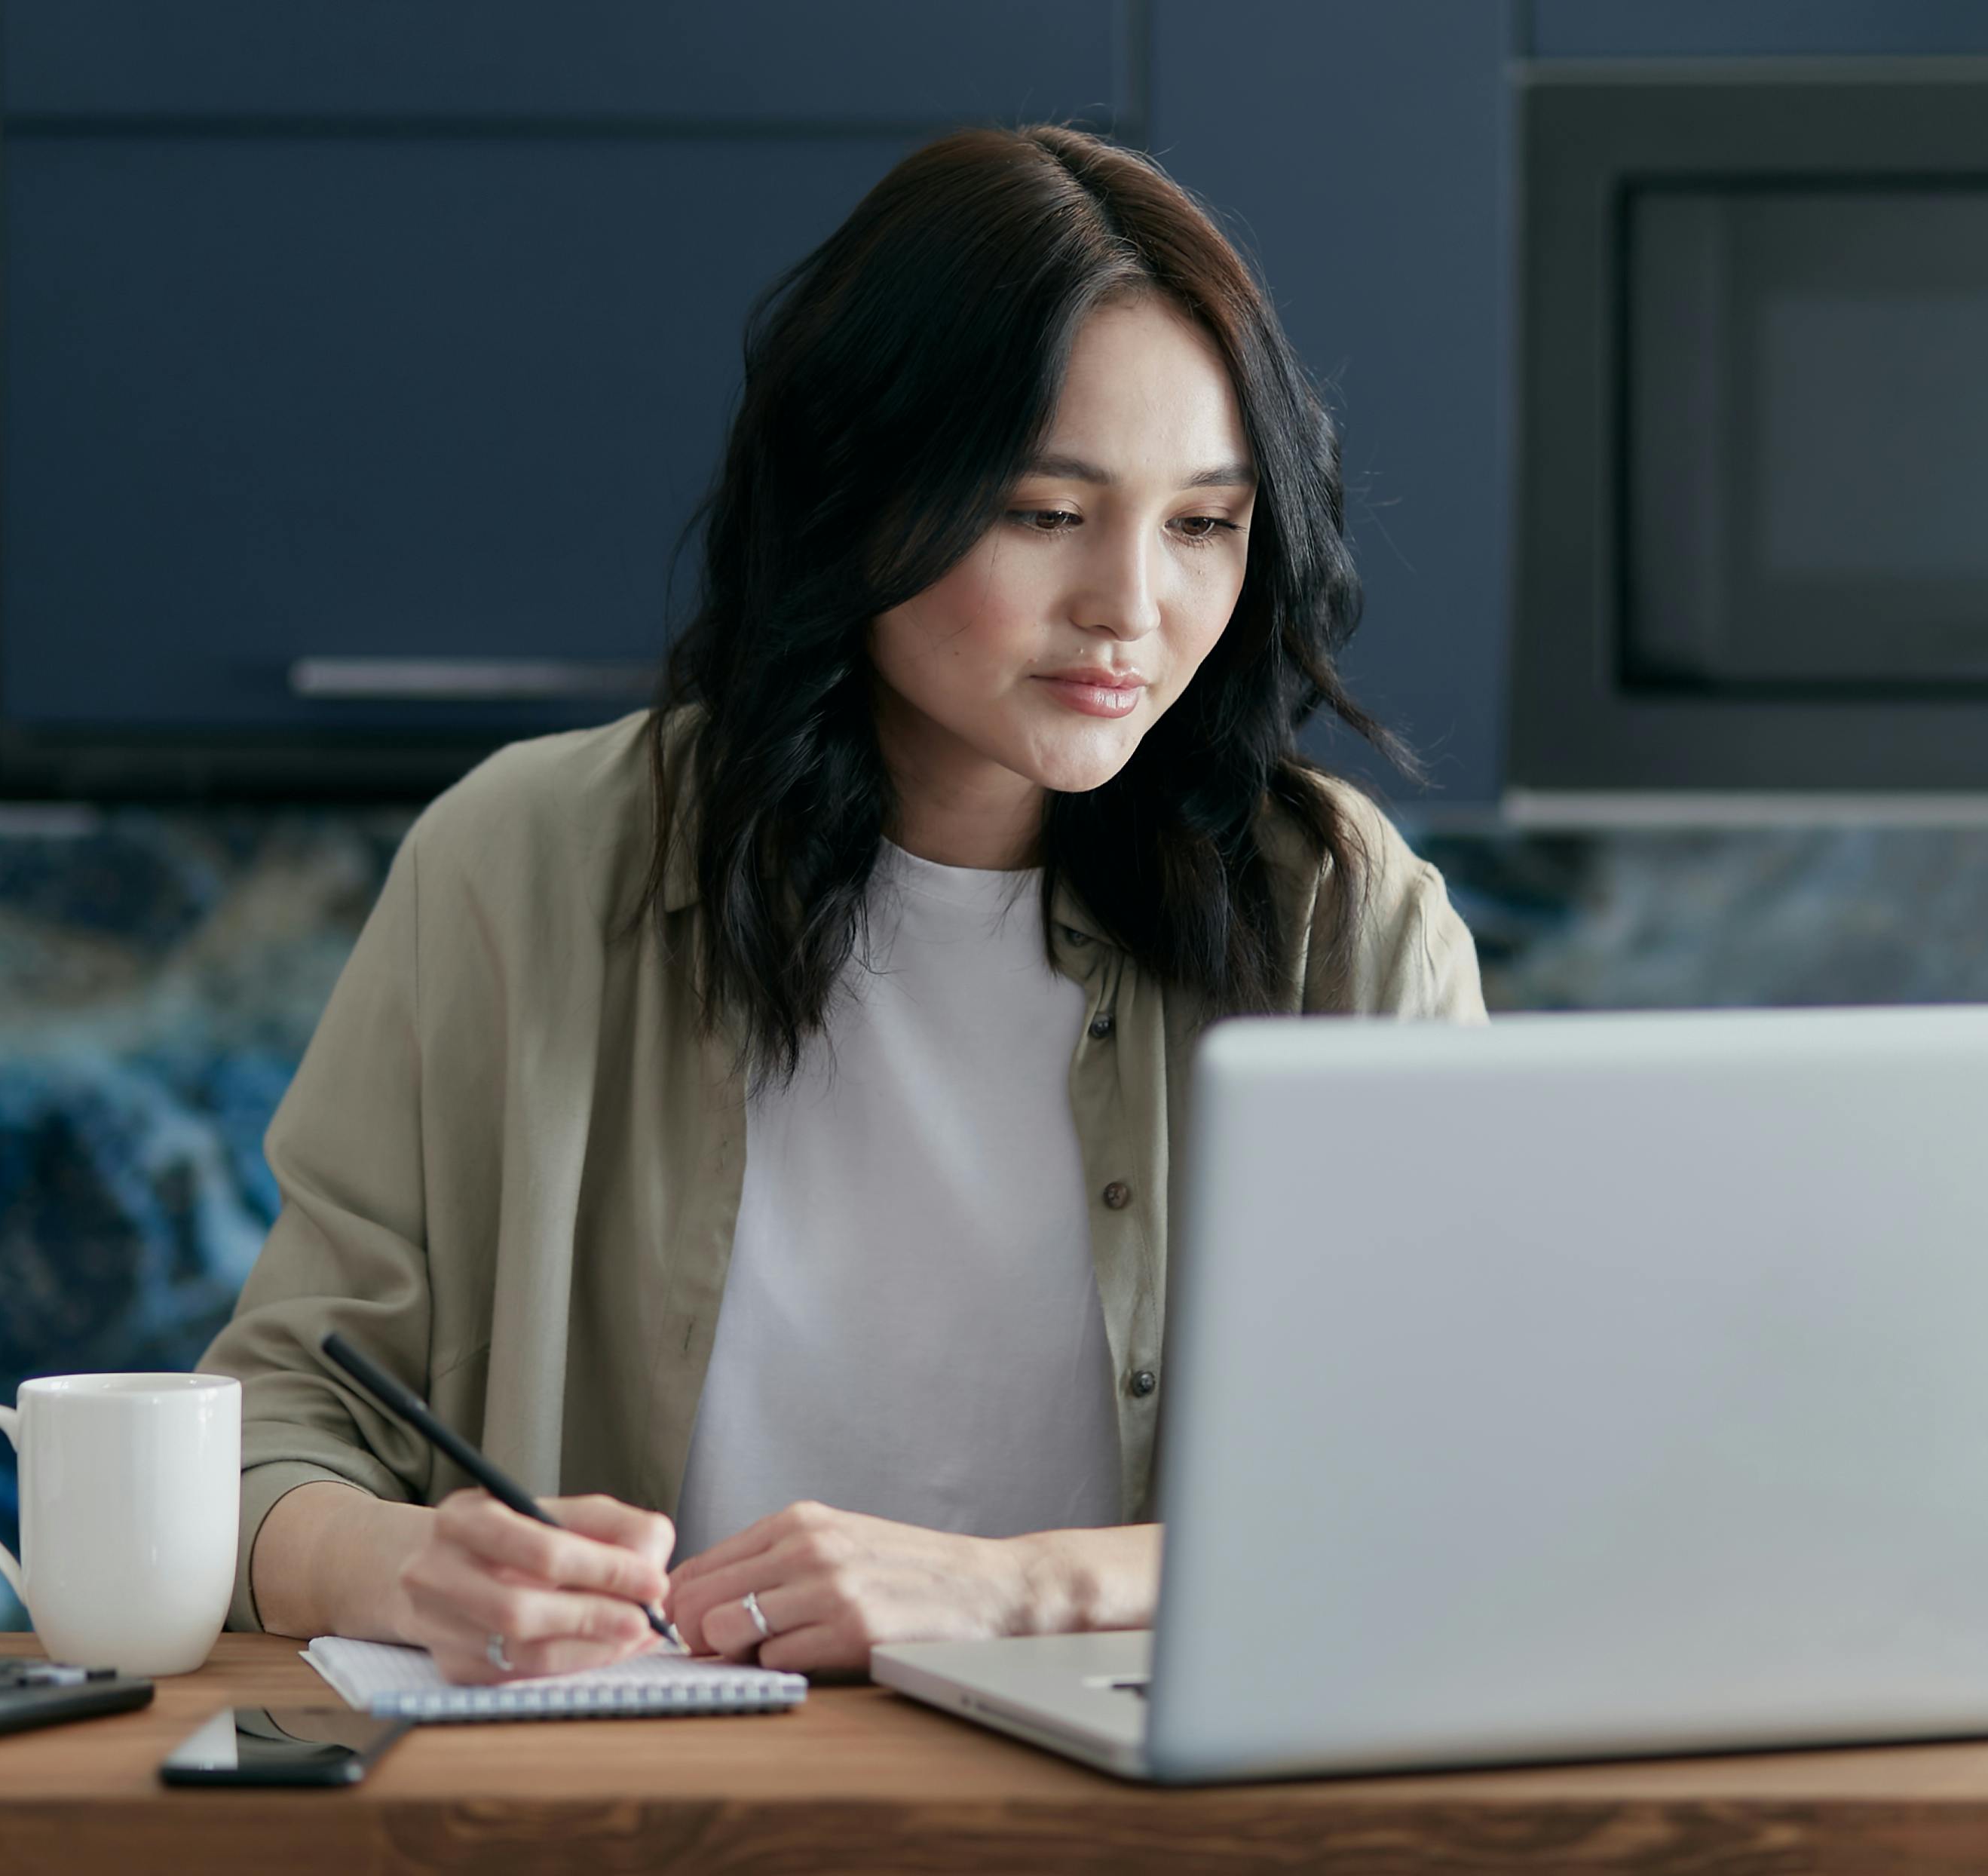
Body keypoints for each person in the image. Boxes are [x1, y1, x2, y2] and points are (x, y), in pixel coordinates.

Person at [196, 124, 1484, 1687]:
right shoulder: (516, 866)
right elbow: (271, 1428)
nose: (1133, 606)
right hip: (647, 1816)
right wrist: (408, 1560)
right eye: (1042, 510)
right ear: (861, 496)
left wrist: (1013, 1587)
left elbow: (1452, 1488)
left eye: (1204, 523)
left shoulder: (1335, 914)